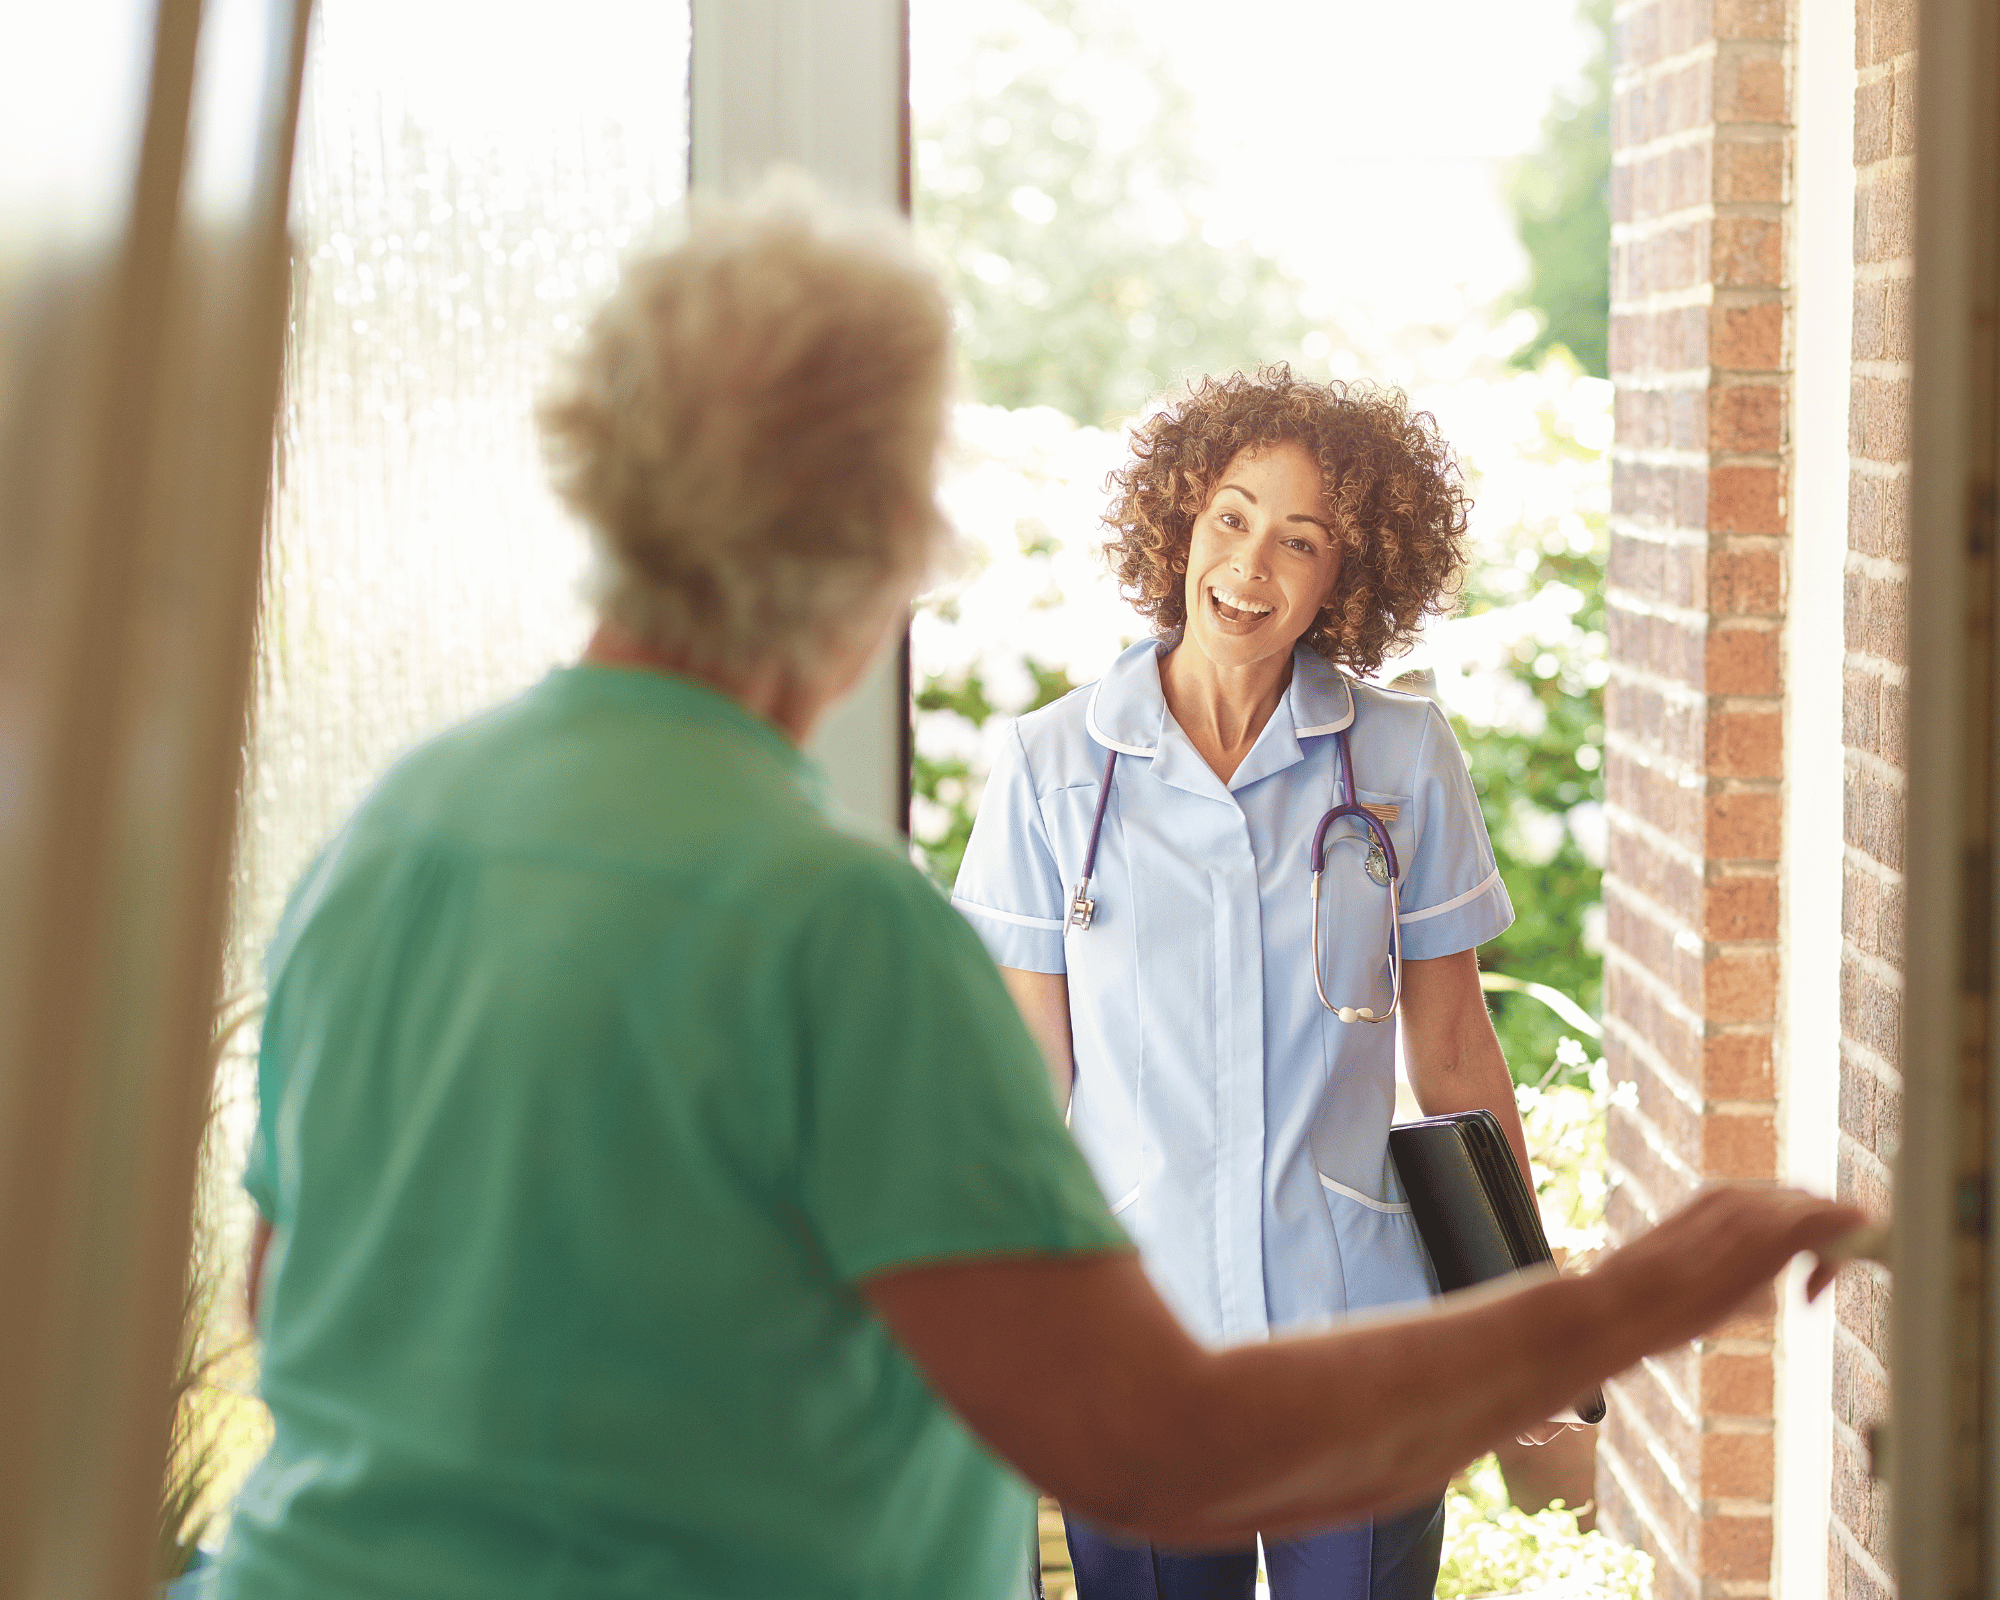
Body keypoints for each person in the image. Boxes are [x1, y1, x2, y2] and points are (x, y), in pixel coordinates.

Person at [216, 184, 1863, 1600]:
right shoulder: (841, 928)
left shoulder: (396, 836)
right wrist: (1627, 1304)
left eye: (1304, 541)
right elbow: (1147, 1438)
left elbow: (288, 1294)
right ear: (880, 539)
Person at [948, 368, 1578, 1597]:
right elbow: (1023, 1089)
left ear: (1352, 572)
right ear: (1178, 521)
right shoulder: (1048, 768)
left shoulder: (1400, 757)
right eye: (1229, 518)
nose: (1250, 566)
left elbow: (1450, 1050)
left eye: (1302, 539)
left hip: (1357, 1334)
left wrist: (1526, 1317)